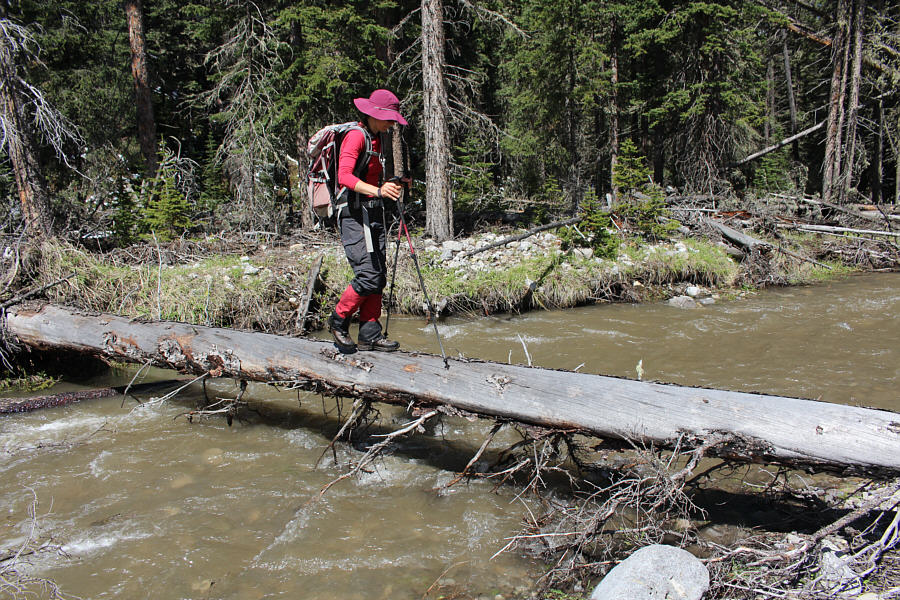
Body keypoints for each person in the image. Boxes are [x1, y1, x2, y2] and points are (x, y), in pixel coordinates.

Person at [328, 89, 407, 352]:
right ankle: (338, 320)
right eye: (389, 119)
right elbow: (345, 177)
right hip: (352, 215)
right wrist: (378, 191)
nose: (392, 124)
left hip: (372, 213)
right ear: (374, 115)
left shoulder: (377, 138)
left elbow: (372, 178)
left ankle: (370, 334)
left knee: (379, 275)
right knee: (367, 274)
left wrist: (392, 183)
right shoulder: (355, 137)